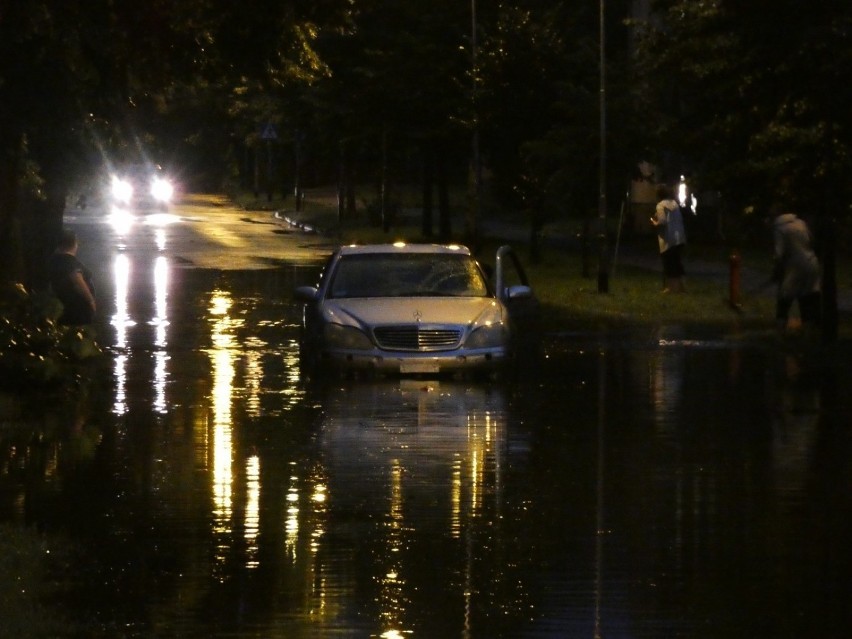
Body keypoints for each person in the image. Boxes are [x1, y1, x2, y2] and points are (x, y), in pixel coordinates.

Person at [769, 203, 821, 334]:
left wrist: (777, 271)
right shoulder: (801, 223)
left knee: (784, 298)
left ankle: (780, 329)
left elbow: (779, 253)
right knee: (807, 297)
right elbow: (811, 241)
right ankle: (809, 330)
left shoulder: (779, 228)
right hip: (811, 263)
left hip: (794, 266)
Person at [48, 229, 97, 325]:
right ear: (74, 244)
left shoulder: (54, 260)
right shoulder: (69, 261)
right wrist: (90, 301)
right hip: (77, 309)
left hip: (64, 306)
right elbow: (77, 280)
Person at [650, 184, 687, 293]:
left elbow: (662, 221)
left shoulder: (660, 205)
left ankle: (672, 288)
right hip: (679, 237)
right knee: (677, 262)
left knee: (669, 264)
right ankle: (682, 287)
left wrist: (654, 222)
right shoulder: (675, 204)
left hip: (667, 239)